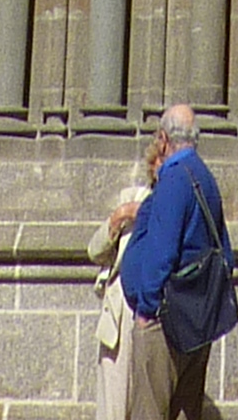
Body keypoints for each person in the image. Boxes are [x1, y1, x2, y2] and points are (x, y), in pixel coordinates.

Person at [114, 104, 235, 419]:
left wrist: (146, 310)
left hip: (164, 321)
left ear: (164, 139)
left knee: (149, 411)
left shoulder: (174, 179)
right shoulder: (203, 177)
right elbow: (225, 251)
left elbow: (162, 252)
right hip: (195, 319)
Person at [88, 166, 148, 420]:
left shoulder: (177, 202)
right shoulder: (133, 196)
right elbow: (95, 251)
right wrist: (118, 218)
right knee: (113, 406)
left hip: (154, 314)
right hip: (120, 314)